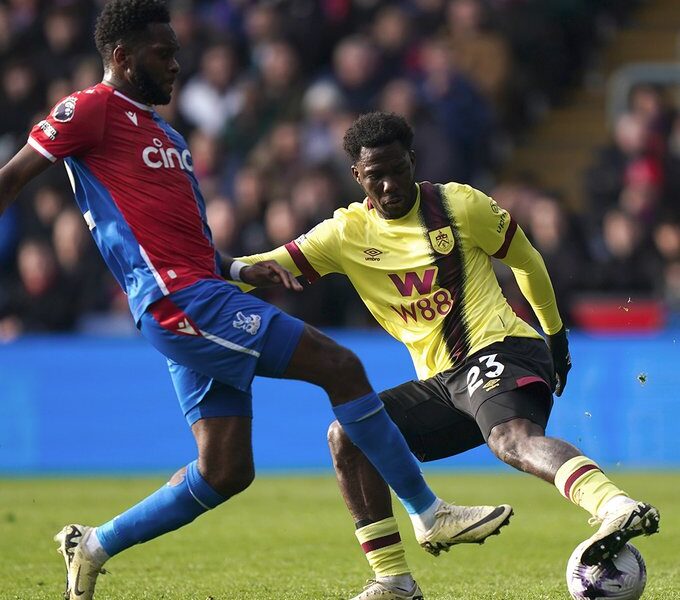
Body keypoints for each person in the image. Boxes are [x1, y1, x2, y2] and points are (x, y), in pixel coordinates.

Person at [0, 5, 512, 600]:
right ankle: (428, 512)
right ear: (121, 56)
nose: (176, 64)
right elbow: (11, 179)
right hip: (179, 303)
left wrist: (244, 268)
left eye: (176, 51)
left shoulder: (167, 138)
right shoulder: (88, 110)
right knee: (341, 367)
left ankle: (91, 546)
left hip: (202, 290)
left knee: (225, 471)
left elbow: (191, 244)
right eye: (162, 54)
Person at [239, 112, 661, 600]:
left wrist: (555, 336)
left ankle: (614, 505)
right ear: (357, 177)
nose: (391, 184)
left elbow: (526, 259)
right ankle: (393, 580)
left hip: (503, 347)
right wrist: (194, 274)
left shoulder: (459, 205)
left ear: (413, 162)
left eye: (399, 169)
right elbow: (264, 267)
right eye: (377, 176)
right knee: (349, 436)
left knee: (510, 440)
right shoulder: (345, 234)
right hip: (444, 383)